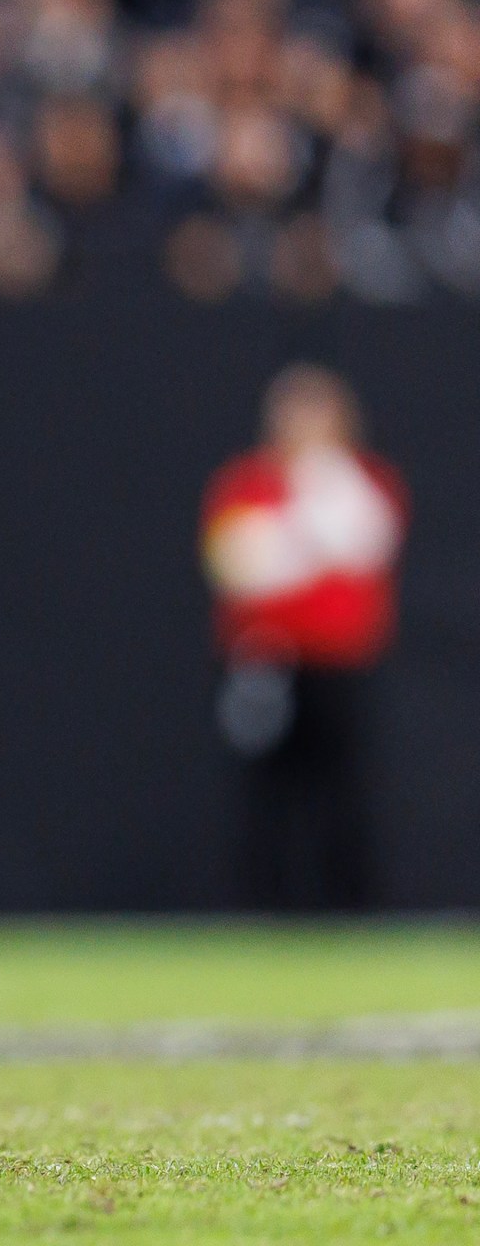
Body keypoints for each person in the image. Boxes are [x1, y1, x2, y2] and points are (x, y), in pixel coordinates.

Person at [201, 364, 406, 911]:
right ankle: (266, 909)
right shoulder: (247, 482)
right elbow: (239, 565)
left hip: (339, 665)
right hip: (268, 662)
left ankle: (350, 910)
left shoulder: (363, 480)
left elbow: (366, 544)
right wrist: (303, 539)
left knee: (343, 790)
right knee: (268, 793)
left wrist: (299, 531)